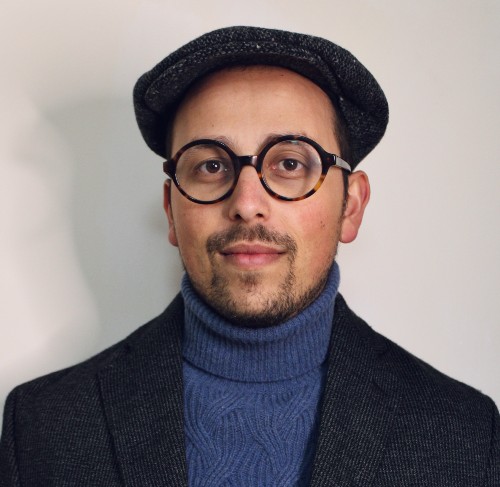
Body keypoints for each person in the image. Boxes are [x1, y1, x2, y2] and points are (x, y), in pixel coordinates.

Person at [0, 26, 498, 486]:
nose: (246, 203)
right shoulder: (42, 426)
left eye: (289, 163)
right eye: (211, 166)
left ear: (351, 206)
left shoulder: (466, 435)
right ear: (171, 210)